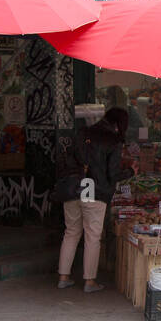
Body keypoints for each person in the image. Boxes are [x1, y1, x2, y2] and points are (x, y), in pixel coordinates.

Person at [57, 107, 134, 293]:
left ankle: (63, 277)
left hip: (74, 189)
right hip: (95, 192)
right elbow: (112, 173)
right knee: (92, 236)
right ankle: (89, 281)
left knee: (71, 232)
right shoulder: (113, 141)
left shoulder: (82, 133)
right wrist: (131, 172)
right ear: (119, 124)